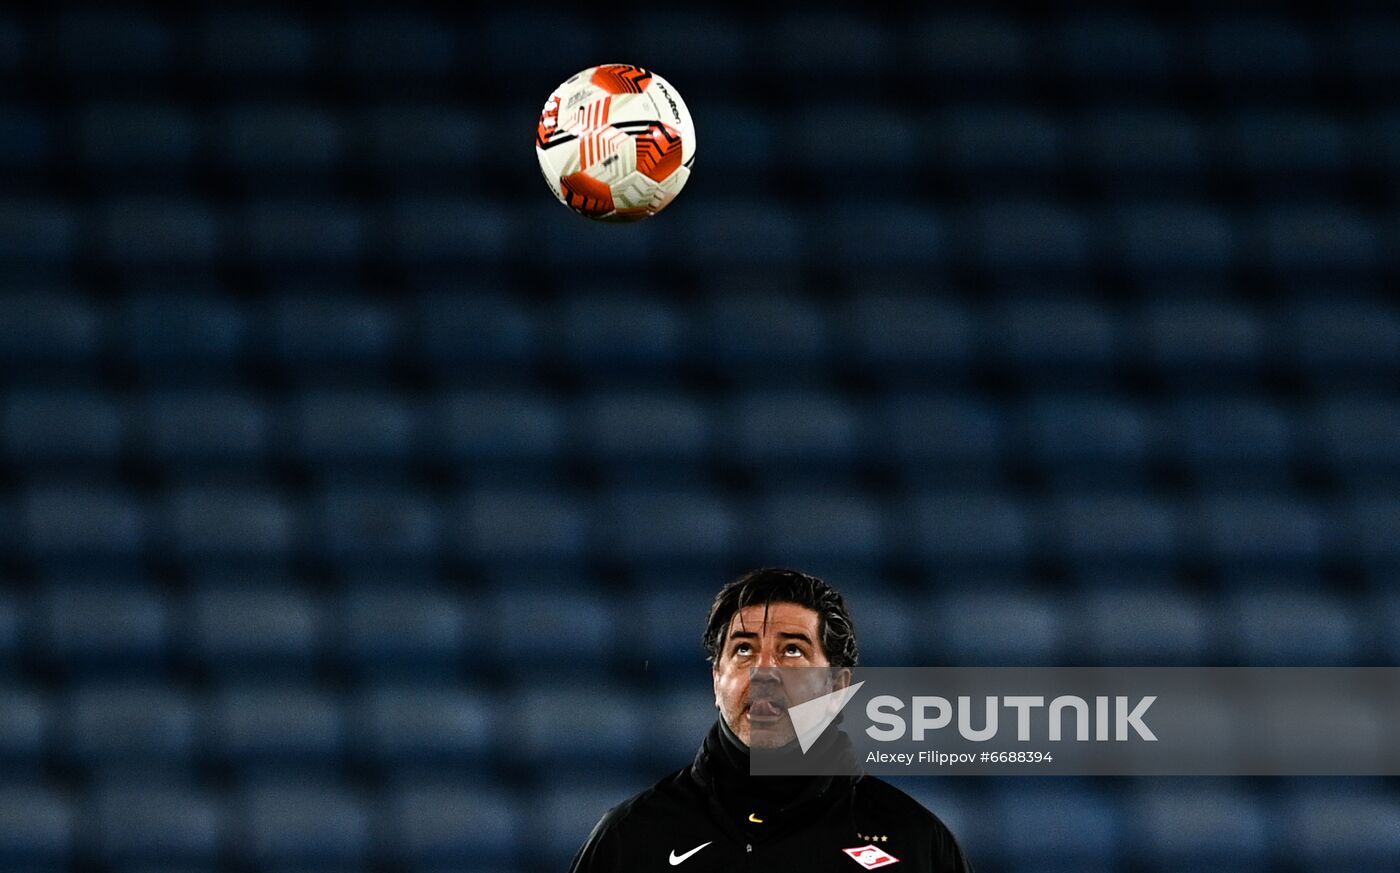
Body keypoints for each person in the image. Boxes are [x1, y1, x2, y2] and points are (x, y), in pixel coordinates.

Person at [569, 567, 973, 871]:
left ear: (837, 686)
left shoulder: (914, 842)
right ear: (716, 678)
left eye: (792, 651)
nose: (764, 672)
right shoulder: (631, 838)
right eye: (744, 650)